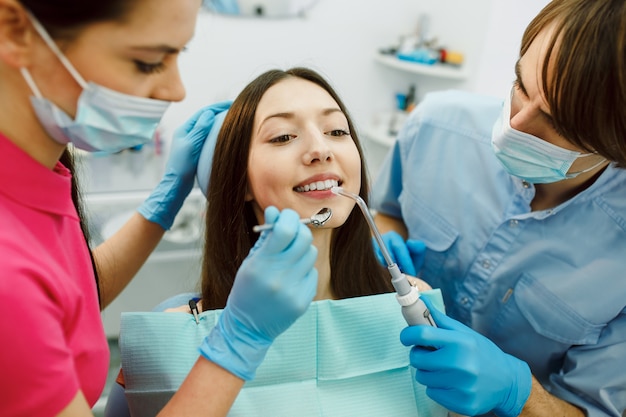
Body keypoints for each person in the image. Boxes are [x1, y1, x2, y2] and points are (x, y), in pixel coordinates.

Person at [0, 2, 318, 416]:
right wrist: (239, 339)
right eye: (149, 61)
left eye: (336, 130)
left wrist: (163, 203)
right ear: (15, 29)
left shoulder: (42, 170)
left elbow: (69, 294)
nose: (176, 90)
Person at [106, 67, 442, 416]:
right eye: (283, 137)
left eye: (337, 130)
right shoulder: (172, 331)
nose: (320, 149)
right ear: (242, 182)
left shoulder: (414, 307)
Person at [371, 0, 626, 416]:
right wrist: (385, 241)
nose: (516, 124)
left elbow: (592, 409)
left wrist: (518, 393)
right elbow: (387, 212)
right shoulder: (436, 125)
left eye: (558, 123)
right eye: (520, 86)